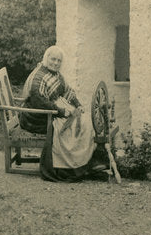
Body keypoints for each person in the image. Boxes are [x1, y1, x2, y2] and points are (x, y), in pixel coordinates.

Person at [19, 45, 108, 182]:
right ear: (46, 58)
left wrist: (77, 105)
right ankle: (65, 167)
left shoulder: (56, 75)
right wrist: (61, 111)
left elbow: (67, 91)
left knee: (82, 121)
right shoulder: (39, 77)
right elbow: (39, 102)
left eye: (59, 61)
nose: (55, 63)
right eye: (53, 59)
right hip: (37, 117)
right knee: (69, 128)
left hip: (52, 110)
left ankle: (86, 162)